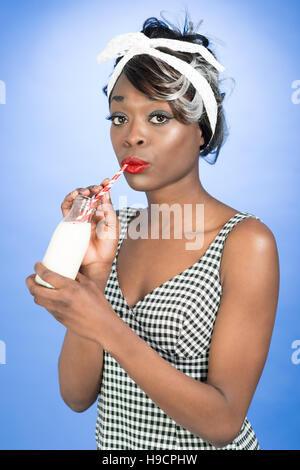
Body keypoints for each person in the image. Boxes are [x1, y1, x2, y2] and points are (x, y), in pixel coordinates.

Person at [25, 11, 280, 450]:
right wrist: (94, 276)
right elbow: (76, 396)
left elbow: (222, 424)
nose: (132, 136)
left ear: (201, 130)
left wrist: (104, 324)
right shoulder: (111, 233)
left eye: (158, 117)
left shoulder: (245, 242)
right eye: (119, 117)